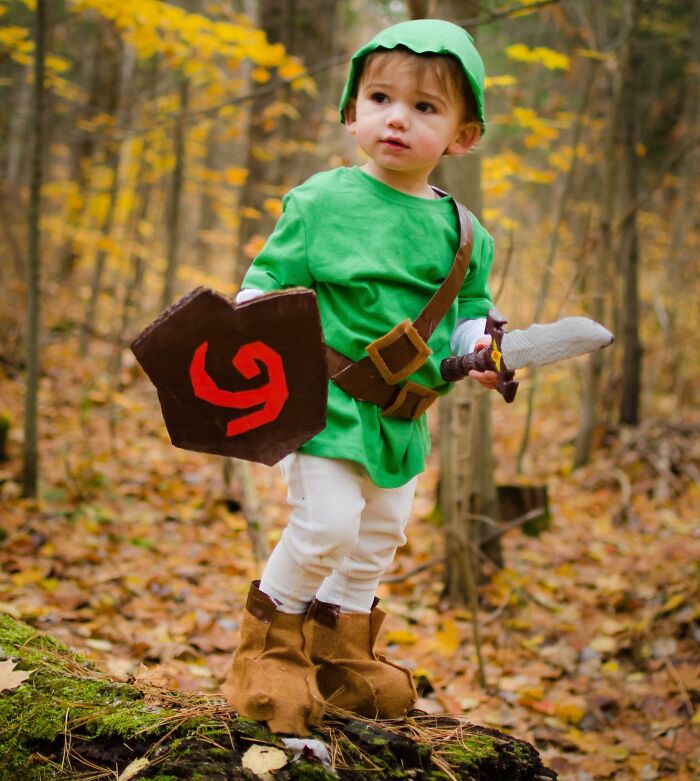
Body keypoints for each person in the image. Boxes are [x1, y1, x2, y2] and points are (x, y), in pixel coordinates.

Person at [222, 18, 499, 735]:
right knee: (326, 525)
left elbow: (470, 314)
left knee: (378, 534)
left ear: (462, 136)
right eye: (379, 98)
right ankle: (269, 651)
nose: (397, 118)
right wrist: (246, 335)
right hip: (323, 402)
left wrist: (484, 347)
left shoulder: (466, 233)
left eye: (426, 108)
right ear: (352, 113)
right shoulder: (321, 201)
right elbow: (265, 286)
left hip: (402, 416)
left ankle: (343, 655)